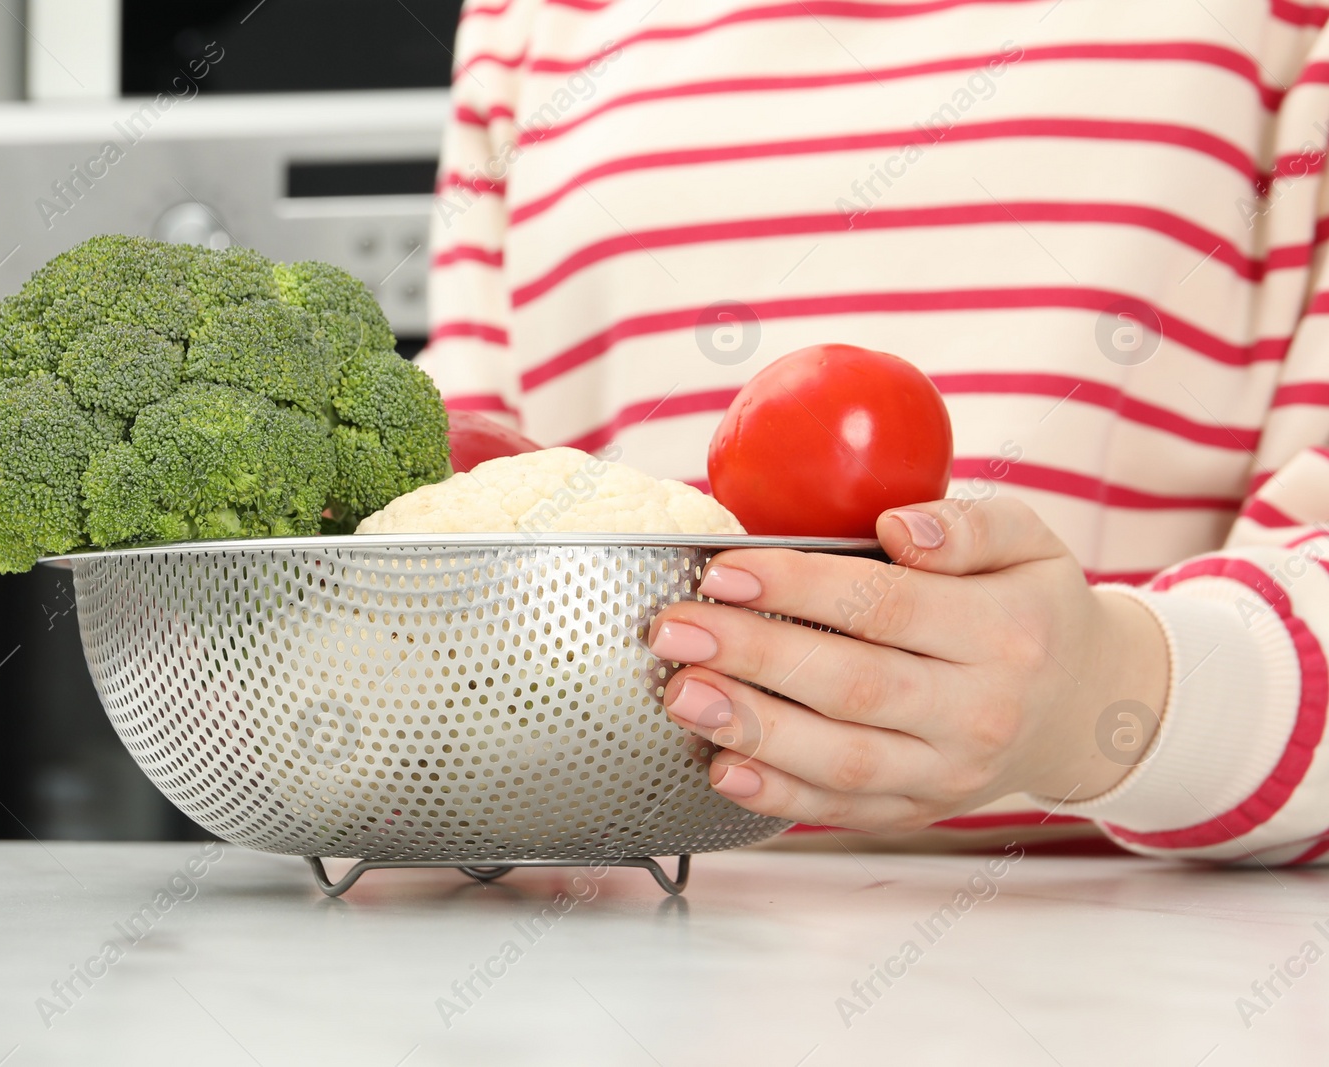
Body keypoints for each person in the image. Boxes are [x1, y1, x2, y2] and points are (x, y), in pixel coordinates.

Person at [416, 0, 1329, 864]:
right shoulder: (525, 22)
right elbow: (439, 525)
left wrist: (1101, 698)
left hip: (1135, 959)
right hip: (617, 945)